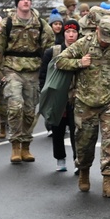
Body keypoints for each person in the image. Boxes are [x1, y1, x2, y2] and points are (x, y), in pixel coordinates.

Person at [55, 14, 110, 197]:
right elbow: (59, 61)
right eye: (103, 38)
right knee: (84, 142)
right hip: (85, 101)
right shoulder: (84, 43)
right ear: (97, 30)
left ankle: (108, 181)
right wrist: (80, 63)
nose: (106, 42)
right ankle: (84, 171)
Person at [0, 0, 56, 163]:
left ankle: (26, 145)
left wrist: (47, 71)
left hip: (33, 71)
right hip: (12, 70)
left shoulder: (41, 24)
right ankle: (15, 145)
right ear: (17, 3)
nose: (26, 2)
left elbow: (49, 49)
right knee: (15, 106)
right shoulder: (5, 24)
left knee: (29, 111)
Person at [40, 17, 80, 172]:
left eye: (74, 32)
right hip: (57, 96)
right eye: (68, 31)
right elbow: (44, 75)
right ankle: (60, 158)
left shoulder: (82, 51)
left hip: (76, 96)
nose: (71, 35)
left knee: (77, 129)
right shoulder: (53, 51)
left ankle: (78, 159)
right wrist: (45, 93)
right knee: (57, 128)